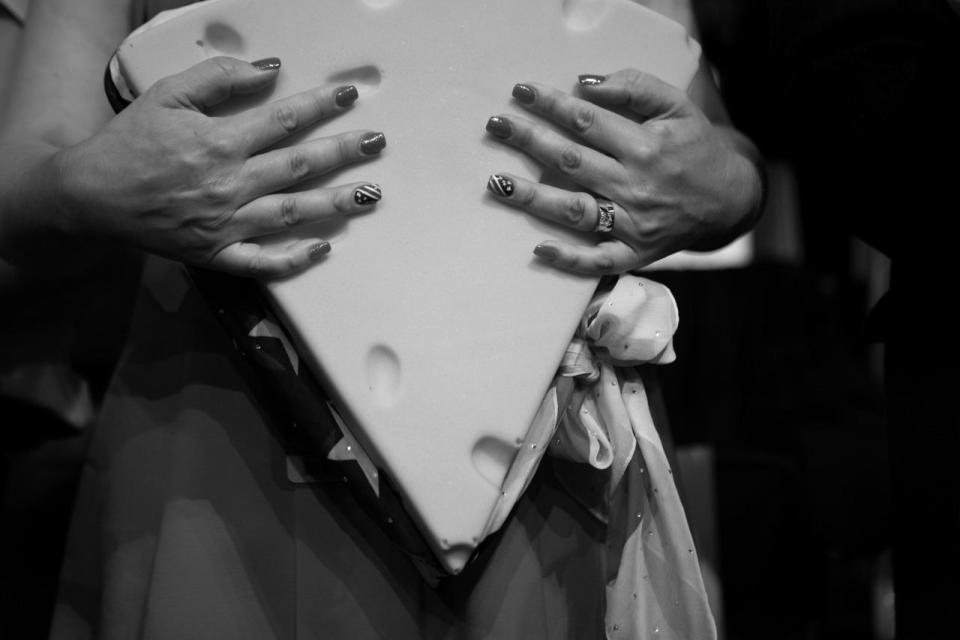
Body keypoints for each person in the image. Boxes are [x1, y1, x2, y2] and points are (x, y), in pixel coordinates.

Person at [0, 1, 763, 638]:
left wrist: (727, 188)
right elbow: (24, 185)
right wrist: (86, 188)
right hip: (226, 441)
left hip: (548, 449)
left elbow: (703, 132)